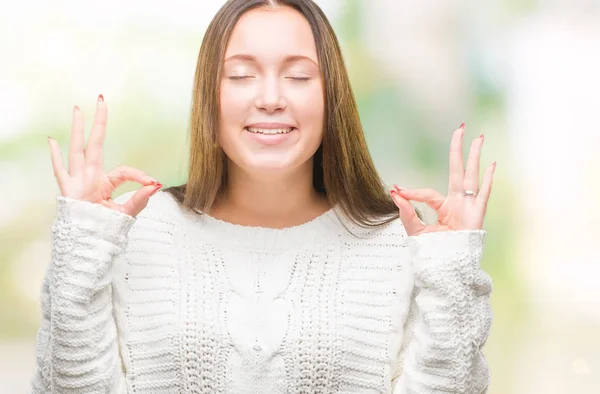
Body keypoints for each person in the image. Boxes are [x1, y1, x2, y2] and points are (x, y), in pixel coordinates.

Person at [32, 0, 496, 392]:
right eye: (241, 75)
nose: (271, 97)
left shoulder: (398, 245)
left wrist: (451, 273)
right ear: (208, 100)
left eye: (298, 76)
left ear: (331, 98)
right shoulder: (130, 233)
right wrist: (85, 246)